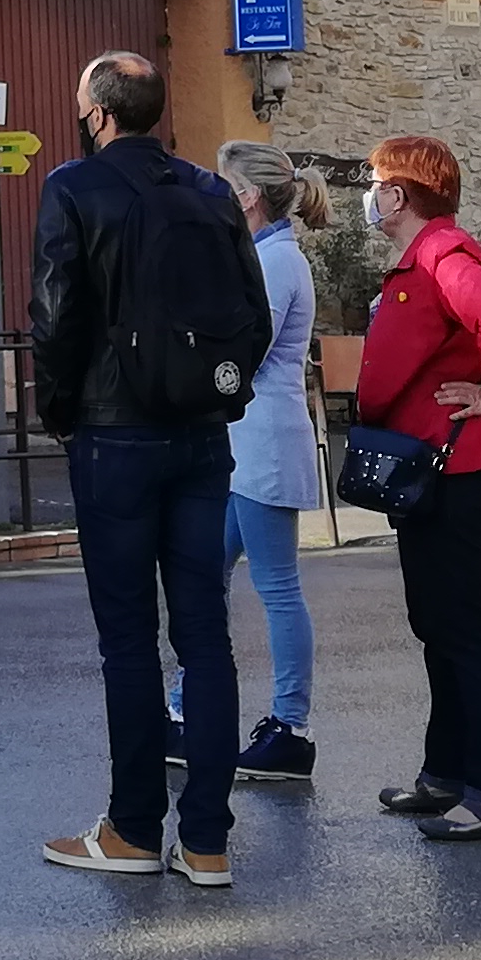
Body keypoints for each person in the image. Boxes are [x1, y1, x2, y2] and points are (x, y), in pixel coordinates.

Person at [28, 49, 275, 888]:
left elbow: (55, 315)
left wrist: (60, 409)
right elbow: (255, 314)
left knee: (128, 640)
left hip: (114, 433)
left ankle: (133, 829)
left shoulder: (74, 185)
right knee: (205, 636)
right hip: (202, 434)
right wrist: (219, 396)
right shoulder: (209, 192)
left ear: (99, 113)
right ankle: (207, 841)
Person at [348, 132, 481, 843]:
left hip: (461, 463)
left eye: (375, 183)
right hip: (435, 465)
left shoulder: (442, 254)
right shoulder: (424, 257)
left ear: (398, 195)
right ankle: (447, 774)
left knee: (462, 628)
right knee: (437, 623)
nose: (369, 195)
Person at [205, 143, 325, 787]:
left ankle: (290, 727)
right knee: (206, 575)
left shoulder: (276, 260)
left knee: (276, 587)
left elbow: (244, 350)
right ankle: (187, 704)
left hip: (264, 443)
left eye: (226, 184)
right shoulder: (262, 254)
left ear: (247, 196)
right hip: (241, 445)